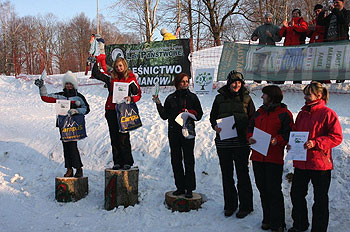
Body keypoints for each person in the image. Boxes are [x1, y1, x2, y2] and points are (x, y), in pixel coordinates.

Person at [287, 81, 343, 232]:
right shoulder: (302, 114)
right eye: (304, 93)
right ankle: (300, 224)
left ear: (319, 95)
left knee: (320, 200)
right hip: (301, 162)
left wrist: (316, 142)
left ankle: (318, 229)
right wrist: (291, 144)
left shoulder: (328, 113)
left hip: (320, 164)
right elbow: (296, 133)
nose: (305, 97)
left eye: (308, 94)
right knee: (296, 195)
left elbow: (336, 137)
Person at [209, 70, 255, 218]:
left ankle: (246, 206)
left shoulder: (247, 99)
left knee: (242, 174)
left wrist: (246, 129)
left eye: (239, 82)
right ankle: (230, 205)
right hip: (224, 142)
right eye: (234, 82)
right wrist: (215, 126)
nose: (236, 85)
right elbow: (212, 118)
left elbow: (253, 119)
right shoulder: (219, 99)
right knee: (227, 174)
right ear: (229, 83)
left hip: (241, 142)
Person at [247, 85, 293, 232]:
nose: (262, 97)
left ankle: (278, 222)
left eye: (264, 95)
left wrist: (277, 140)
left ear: (272, 96)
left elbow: (289, 134)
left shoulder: (285, 114)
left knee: (274, 191)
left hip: (273, 158)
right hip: (257, 157)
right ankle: (267, 219)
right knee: (262, 189)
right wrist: (250, 138)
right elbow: (249, 129)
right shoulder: (259, 112)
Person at [153, 73, 203, 198]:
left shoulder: (193, 97)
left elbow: (199, 114)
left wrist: (191, 112)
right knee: (176, 160)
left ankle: (189, 189)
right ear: (177, 83)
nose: (185, 84)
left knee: (189, 160)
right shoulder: (171, 98)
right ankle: (180, 187)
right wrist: (158, 103)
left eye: (187, 81)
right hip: (174, 132)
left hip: (188, 132)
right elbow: (164, 115)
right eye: (182, 81)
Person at [34, 71, 90, 177]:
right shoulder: (60, 95)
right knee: (66, 147)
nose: (68, 86)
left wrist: (77, 110)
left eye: (70, 84)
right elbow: (45, 97)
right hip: (63, 124)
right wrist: (41, 86)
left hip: (74, 125)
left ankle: (78, 168)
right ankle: (69, 169)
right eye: (67, 84)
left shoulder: (79, 97)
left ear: (74, 85)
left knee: (73, 146)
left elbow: (86, 109)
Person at [92, 57, 141, 170]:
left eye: (121, 66)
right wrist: (96, 60)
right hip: (111, 110)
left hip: (124, 111)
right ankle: (117, 161)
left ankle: (127, 161)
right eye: (117, 66)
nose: (119, 68)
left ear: (124, 66)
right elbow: (96, 74)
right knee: (114, 137)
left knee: (124, 137)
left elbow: (138, 94)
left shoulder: (130, 78)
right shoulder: (111, 77)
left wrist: (131, 98)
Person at [317, 0, 350, 83]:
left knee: (340, 62)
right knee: (326, 62)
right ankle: (323, 79)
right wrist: (322, 12)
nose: (335, 4)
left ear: (343, 2)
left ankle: (340, 79)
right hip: (329, 42)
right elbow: (321, 22)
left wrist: (334, 10)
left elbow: (343, 21)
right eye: (334, 3)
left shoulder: (347, 13)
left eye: (337, 3)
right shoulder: (331, 15)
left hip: (340, 41)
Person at [251, 13, 282, 83]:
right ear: (264, 19)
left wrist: (271, 36)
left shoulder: (276, 28)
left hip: (272, 48)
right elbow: (253, 36)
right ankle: (257, 80)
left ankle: (270, 80)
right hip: (261, 48)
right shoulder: (260, 28)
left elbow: (279, 39)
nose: (268, 20)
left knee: (271, 65)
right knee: (259, 65)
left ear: (272, 19)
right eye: (266, 18)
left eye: (269, 18)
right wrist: (254, 38)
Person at [280, 9, 308, 84]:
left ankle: (297, 82)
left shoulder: (302, 22)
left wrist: (294, 26)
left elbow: (304, 29)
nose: (295, 15)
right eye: (293, 13)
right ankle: (280, 80)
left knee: (297, 66)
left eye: (296, 13)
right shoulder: (289, 23)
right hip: (287, 47)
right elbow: (281, 34)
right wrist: (284, 27)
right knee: (284, 65)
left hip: (297, 47)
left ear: (299, 14)